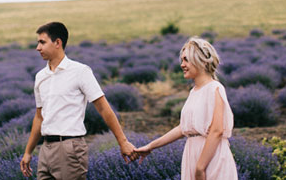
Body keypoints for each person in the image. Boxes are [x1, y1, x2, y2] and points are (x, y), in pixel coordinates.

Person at [20, 22, 137, 179]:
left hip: (70, 149)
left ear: (57, 43)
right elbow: (39, 117)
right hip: (45, 149)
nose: (37, 48)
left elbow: (103, 108)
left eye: (42, 42)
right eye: (38, 43)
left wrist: (123, 142)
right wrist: (28, 152)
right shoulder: (40, 77)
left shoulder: (80, 71)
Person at [133, 37, 238, 180]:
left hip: (211, 159)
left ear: (200, 61)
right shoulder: (194, 91)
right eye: (182, 60)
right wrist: (150, 146)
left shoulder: (215, 88)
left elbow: (217, 130)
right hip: (193, 155)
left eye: (186, 60)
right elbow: (183, 128)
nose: (182, 65)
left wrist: (200, 168)